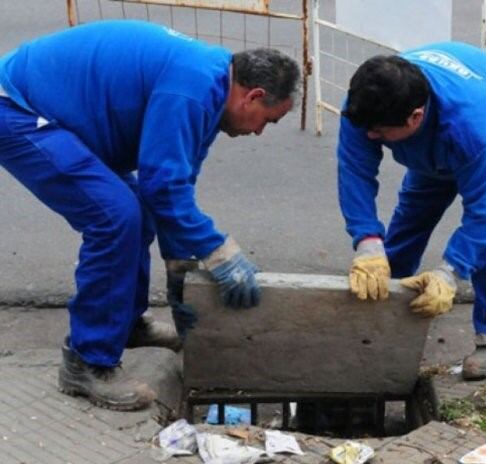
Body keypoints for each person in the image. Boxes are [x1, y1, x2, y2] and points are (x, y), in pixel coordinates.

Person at [0, 20, 300, 410]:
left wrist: (180, 265)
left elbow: (175, 184)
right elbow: (163, 185)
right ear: (253, 96)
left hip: (58, 109)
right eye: (268, 119)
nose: (261, 132)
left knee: (137, 210)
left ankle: (124, 324)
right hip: (18, 107)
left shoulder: (211, 88)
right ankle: (86, 362)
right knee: (115, 216)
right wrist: (218, 251)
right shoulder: (192, 90)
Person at [339, 41, 486, 380]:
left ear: (415, 117)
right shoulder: (366, 107)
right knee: (412, 216)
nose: (370, 137)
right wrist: (368, 243)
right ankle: (387, 306)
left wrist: (450, 273)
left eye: (380, 133)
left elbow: (485, 214)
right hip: (439, 139)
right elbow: (354, 172)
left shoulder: (474, 130)